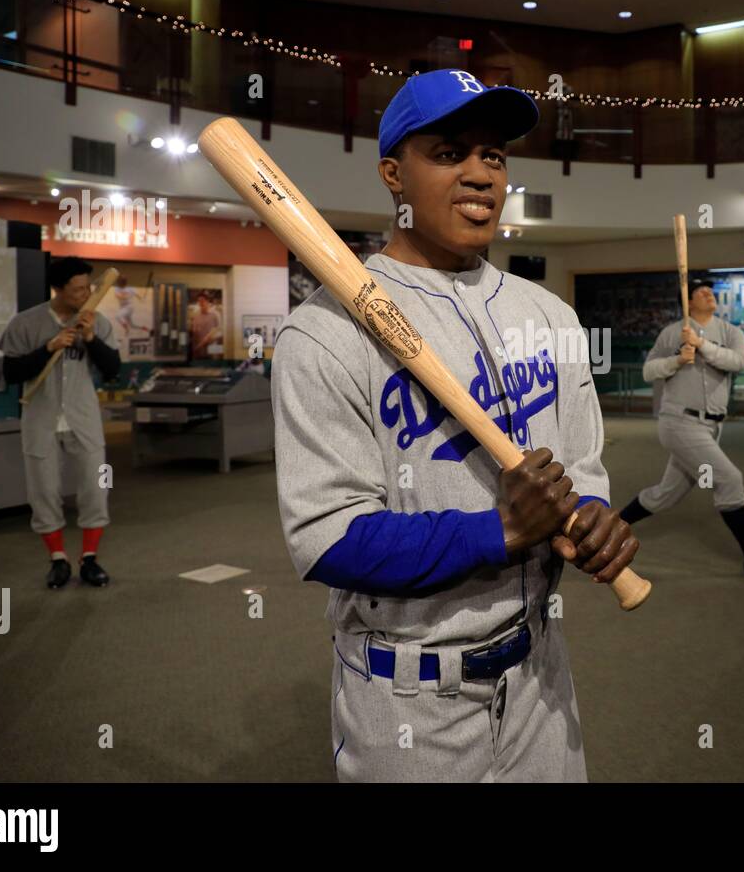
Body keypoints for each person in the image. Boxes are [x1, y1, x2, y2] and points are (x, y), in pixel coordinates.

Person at [271, 68, 638, 783]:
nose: (479, 174)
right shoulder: (323, 333)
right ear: (393, 175)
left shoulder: (550, 317)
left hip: (540, 673)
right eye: (448, 152)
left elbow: (582, 469)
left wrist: (593, 518)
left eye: (493, 156)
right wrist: (499, 531)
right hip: (408, 695)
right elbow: (327, 537)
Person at [616, 279, 744, 579]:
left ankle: (607, 528)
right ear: (687, 301)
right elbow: (649, 371)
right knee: (729, 480)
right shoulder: (671, 333)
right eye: (700, 291)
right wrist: (676, 360)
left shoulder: (730, 332)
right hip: (679, 422)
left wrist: (702, 346)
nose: (708, 293)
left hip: (711, 426)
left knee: (665, 495)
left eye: (710, 290)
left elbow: (738, 362)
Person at [0, 257, 120, 587]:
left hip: (84, 420)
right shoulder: (25, 323)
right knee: (44, 491)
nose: (85, 294)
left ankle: (90, 558)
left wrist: (92, 339)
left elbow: (113, 370)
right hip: (40, 420)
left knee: (96, 489)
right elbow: (11, 373)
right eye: (77, 289)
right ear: (58, 289)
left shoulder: (97, 321)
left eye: (88, 287)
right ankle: (57, 559)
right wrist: (48, 348)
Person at [189, 292, 222, 360]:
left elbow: (220, 331)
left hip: (212, 348)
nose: (200, 303)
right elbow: (195, 332)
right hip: (199, 350)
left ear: (207, 301)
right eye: (199, 301)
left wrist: (210, 338)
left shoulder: (215, 314)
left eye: (202, 300)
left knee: (213, 368)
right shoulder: (196, 315)